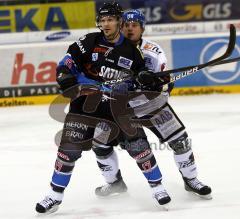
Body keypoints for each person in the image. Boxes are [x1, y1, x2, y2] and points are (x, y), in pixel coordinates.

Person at [35, 2, 170, 214]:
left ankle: (157, 187)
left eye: (110, 19)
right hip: (84, 106)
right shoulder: (88, 41)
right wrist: (65, 76)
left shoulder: (132, 52)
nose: (105, 24)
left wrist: (148, 79)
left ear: (119, 22)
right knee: (67, 151)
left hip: (117, 108)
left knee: (139, 147)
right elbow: (66, 63)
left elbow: (142, 82)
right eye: (103, 20)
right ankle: (55, 195)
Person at [94, 9, 212, 203]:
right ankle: (114, 183)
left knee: (180, 142)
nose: (130, 29)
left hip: (151, 105)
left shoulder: (153, 51)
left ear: (142, 28)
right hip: (119, 109)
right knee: (100, 144)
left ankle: (191, 179)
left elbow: (166, 85)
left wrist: (156, 83)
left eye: (135, 25)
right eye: (126, 25)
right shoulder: (105, 50)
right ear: (120, 27)